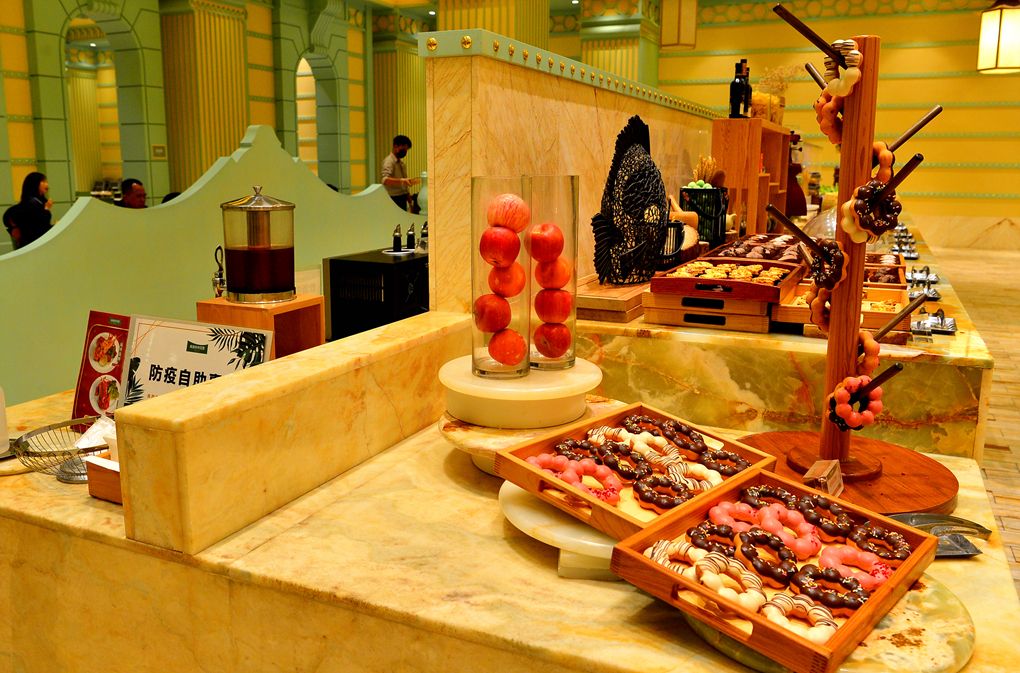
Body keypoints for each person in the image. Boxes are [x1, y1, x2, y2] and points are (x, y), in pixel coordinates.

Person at [3, 172, 53, 249]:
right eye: (43, 181)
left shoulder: (36, 202)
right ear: (34, 184)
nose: (47, 184)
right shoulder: (31, 204)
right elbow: (41, 225)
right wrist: (47, 210)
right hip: (33, 245)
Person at [381, 135, 416, 211]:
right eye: (403, 149)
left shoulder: (402, 163)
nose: (405, 151)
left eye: (406, 150)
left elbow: (404, 187)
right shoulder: (389, 161)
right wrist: (402, 181)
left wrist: (410, 201)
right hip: (392, 199)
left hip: (402, 198)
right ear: (396, 147)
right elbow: (385, 180)